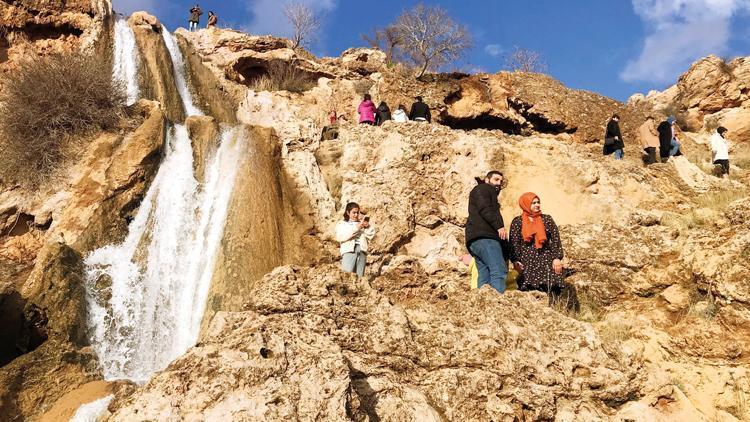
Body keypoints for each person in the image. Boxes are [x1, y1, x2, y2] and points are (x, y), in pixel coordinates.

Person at [509, 193, 578, 311]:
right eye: (533, 203)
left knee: (551, 287)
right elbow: (514, 243)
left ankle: (555, 312)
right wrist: (515, 260)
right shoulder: (518, 221)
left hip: (546, 258)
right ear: (525, 204)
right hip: (527, 261)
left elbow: (555, 239)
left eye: (538, 202)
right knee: (528, 289)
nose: (537, 205)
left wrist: (557, 258)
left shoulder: (547, 219)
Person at [465, 171, 508, 293]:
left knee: (484, 276)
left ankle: (484, 304)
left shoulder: (482, 191)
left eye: (500, 181)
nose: (499, 183)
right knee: (499, 271)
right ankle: (497, 305)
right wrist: (499, 226)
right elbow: (485, 208)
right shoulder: (483, 188)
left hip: (475, 240)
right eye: (496, 179)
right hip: (486, 237)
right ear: (487, 180)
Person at [335, 202, 376, 277]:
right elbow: (341, 237)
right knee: (347, 275)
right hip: (349, 251)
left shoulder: (361, 223)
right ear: (348, 212)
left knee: (360, 277)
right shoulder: (342, 224)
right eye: (354, 213)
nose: (356, 215)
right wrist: (357, 227)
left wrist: (367, 226)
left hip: (362, 251)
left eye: (357, 213)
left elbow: (371, 235)